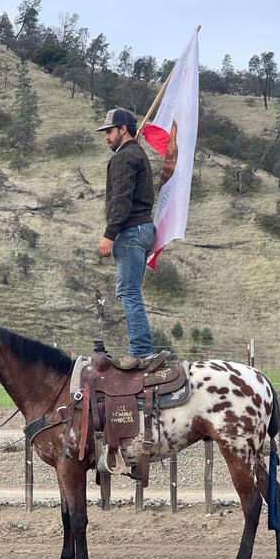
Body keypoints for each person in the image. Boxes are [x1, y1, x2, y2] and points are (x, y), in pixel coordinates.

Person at [95, 108, 156, 370]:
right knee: (130, 291)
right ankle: (141, 349)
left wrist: (110, 233)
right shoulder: (138, 154)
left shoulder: (123, 158)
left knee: (128, 291)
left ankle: (141, 351)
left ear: (123, 130)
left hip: (130, 232)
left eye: (109, 131)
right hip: (142, 229)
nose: (106, 137)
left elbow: (121, 198)